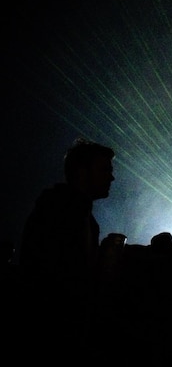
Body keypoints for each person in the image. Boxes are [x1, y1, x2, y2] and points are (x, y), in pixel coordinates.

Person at [18, 137, 115, 359]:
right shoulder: (58, 211)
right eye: (104, 169)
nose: (112, 177)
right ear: (82, 172)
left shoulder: (81, 216)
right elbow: (59, 279)